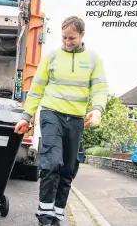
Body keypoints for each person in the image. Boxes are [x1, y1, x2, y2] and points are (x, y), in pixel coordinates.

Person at [14, 16, 109, 226]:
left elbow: (100, 89)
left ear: (82, 35)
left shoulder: (94, 60)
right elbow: (37, 89)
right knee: (51, 162)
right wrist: (26, 117)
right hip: (51, 114)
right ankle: (44, 216)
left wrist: (97, 110)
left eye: (72, 38)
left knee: (68, 169)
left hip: (76, 119)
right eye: (64, 37)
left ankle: (57, 216)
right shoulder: (52, 57)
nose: (67, 42)